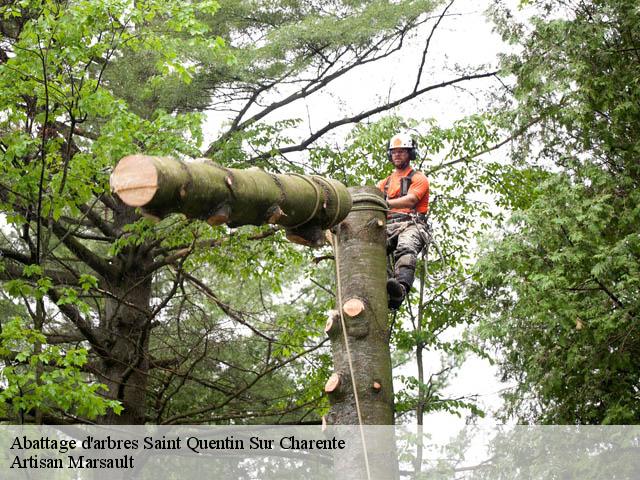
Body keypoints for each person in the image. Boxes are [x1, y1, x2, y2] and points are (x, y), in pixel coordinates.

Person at [377, 132, 430, 310]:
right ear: (389, 155)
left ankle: (400, 288)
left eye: (402, 151)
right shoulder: (383, 184)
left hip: (412, 224)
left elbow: (411, 200)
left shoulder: (419, 178)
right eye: (394, 152)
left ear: (410, 154)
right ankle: (384, 287)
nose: (397, 155)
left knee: (405, 246)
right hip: (389, 225)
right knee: (371, 248)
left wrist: (384, 203)